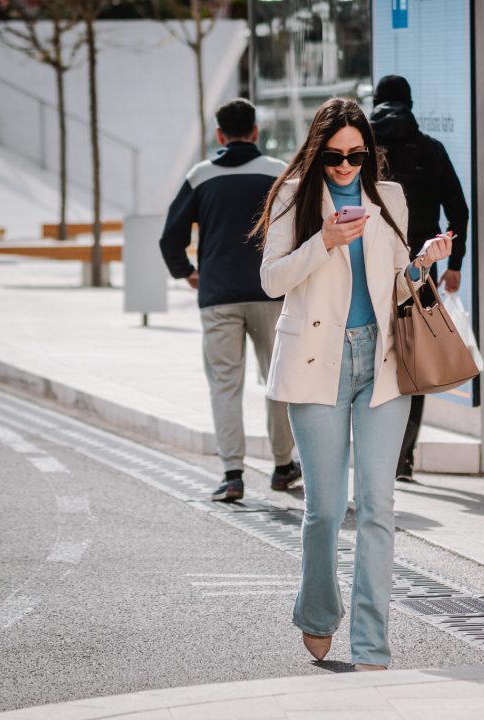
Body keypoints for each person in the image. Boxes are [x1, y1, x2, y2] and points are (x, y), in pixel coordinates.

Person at [255, 97, 452, 670]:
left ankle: (372, 644)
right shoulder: (294, 196)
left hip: (382, 361)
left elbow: (396, 284)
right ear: (319, 151)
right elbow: (271, 281)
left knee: (377, 506)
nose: (346, 167)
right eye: (336, 156)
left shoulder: (389, 198)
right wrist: (325, 243)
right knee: (323, 510)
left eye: (357, 156)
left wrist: (422, 264)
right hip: (317, 363)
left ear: (369, 153)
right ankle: (317, 615)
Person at [159, 99, 300, 502]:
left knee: (225, 385)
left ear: (220, 135)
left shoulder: (200, 176)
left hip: (218, 297)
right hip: (271, 294)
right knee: (278, 381)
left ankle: (232, 474)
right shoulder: (279, 173)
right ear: (255, 132)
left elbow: (170, 237)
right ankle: (282, 466)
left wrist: (186, 272)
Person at [369, 75, 470, 483]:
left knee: (371, 356)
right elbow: (458, 212)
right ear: (410, 103)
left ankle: (375, 452)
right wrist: (454, 263)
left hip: (372, 271)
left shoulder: (363, 152)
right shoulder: (431, 149)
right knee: (416, 359)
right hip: (421, 274)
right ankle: (402, 460)